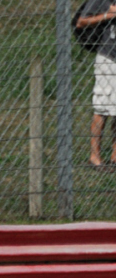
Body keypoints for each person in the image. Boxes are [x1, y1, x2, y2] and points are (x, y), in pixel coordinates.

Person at [77, 1, 116, 168]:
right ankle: (95, 157)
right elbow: (81, 22)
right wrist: (109, 14)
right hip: (109, 59)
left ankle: (115, 157)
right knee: (102, 109)